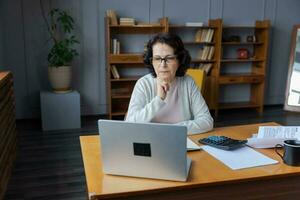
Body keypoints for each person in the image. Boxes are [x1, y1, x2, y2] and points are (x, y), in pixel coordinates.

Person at [125, 33, 213, 134]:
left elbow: (207, 121)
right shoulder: (143, 84)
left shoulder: (188, 83)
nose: (163, 65)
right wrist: (158, 100)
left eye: (169, 58)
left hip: (181, 142)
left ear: (179, 60)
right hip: (151, 143)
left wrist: (171, 130)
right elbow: (130, 124)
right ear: (151, 61)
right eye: (157, 59)